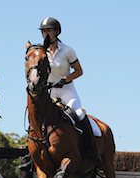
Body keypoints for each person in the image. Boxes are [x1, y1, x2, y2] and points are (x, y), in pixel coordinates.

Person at [39, 17, 100, 163]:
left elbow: (79, 71)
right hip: (49, 92)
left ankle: (91, 150)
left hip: (66, 91)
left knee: (79, 114)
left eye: (48, 30)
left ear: (57, 32)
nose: (45, 34)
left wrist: (65, 79)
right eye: (43, 31)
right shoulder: (41, 52)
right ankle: (31, 156)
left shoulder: (67, 50)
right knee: (36, 119)